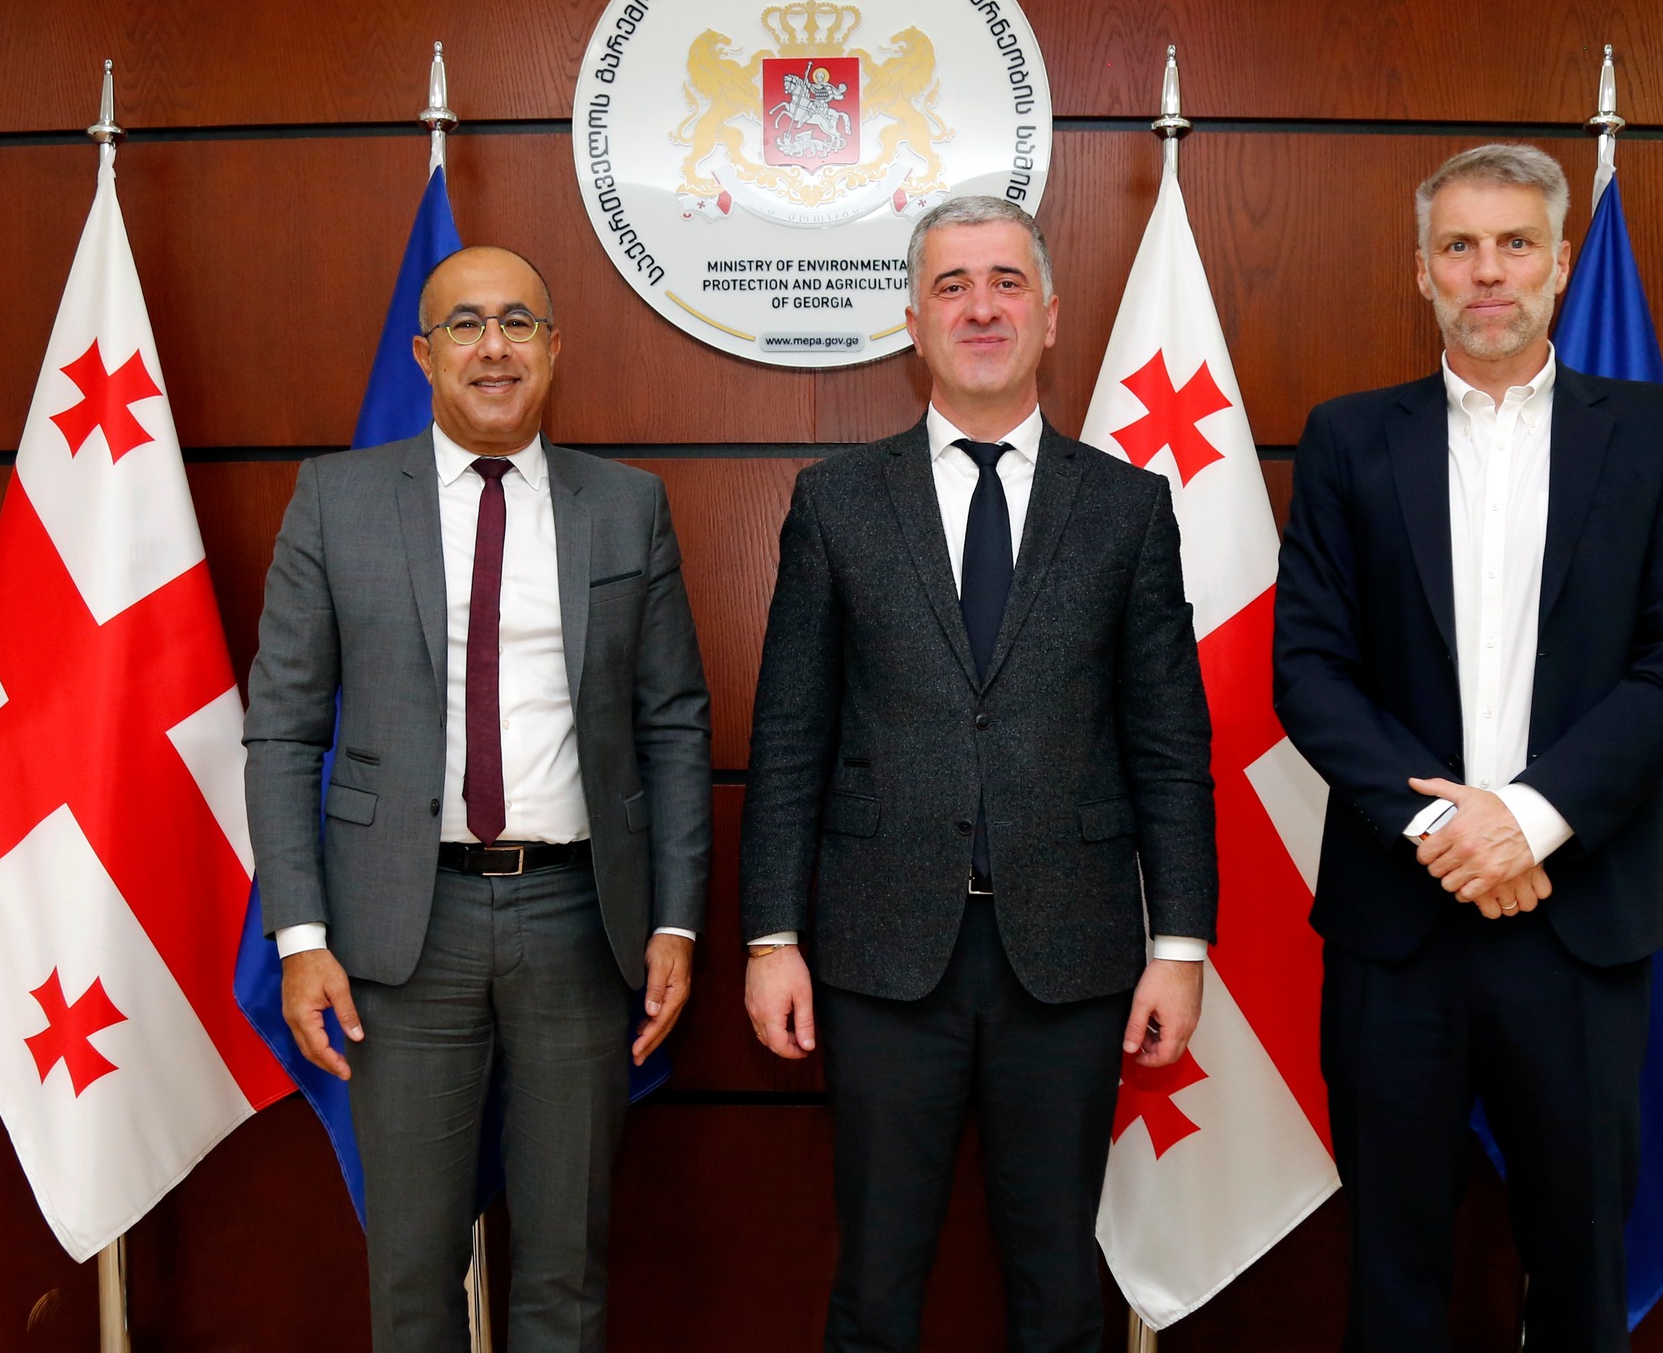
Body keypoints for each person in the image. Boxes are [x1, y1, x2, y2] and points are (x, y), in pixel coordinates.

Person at [740, 196, 1219, 1353]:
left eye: (1005, 282)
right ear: (913, 324)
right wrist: (769, 939)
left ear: (1048, 315)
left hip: (1070, 959)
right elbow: (790, 735)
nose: (980, 307)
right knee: (874, 1284)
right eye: (950, 286)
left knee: (1056, 1288)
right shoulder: (835, 502)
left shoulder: (1126, 507)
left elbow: (1166, 743)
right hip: (878, 956)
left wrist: (1178, 947)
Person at [1273, 144, 1663, 1351]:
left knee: (1579, 1274)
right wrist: (1446, 830)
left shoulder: (1657, 434)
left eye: (1515, 244)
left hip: (1577, 921)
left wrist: (1522, 823)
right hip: (1396, 925)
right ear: (1420, 271)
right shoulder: (1346, 439)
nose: (1487, 271)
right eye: (1459, 247)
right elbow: (1308, 671)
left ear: (1560, 264)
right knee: (1390, 1271)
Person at [243, 246, 712, 1352]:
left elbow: (672, 725)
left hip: (579, 921)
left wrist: (677, 921)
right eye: (464, 324)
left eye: (517, 322)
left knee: (567, 1267)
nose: (492, 346)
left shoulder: (626, 506)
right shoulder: (337, 500)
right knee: (413, 1271)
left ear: (553, 348)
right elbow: (283, 730)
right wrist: (301, 938)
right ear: (424, 354)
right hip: (402, 933)